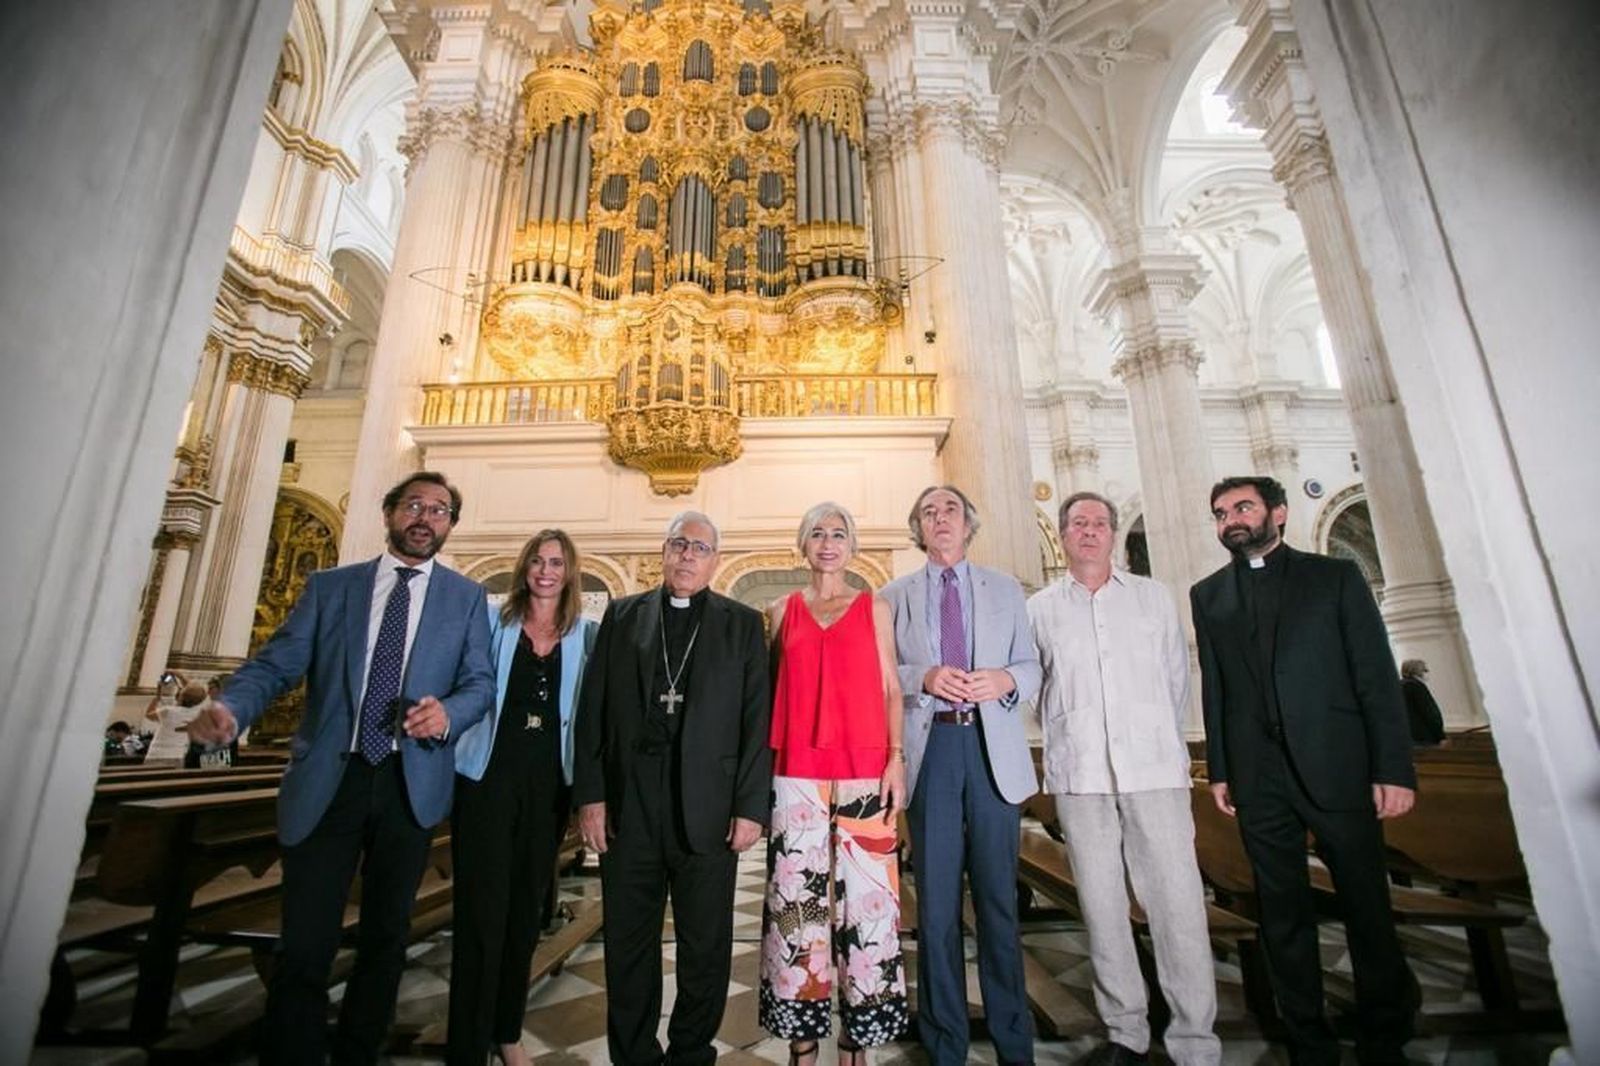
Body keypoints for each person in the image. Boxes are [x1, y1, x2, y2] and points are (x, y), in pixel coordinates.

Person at [188, 471, 494, 1065]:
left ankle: (358, 1052)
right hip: (333, 778)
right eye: (415, 506)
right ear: (388, 514)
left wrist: (448, 714)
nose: (426, 518)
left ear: (451, 525)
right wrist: (232, 707)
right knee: (306, 940)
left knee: (386, 938)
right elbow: (275, 664)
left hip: (411, 780)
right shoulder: (333, 588)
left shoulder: (466, 599)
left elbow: (480, 683)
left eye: (440, 510)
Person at [1190, 475, 1417, 1066]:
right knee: (1282, 913)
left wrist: (1393, 768)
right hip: (1258, 779)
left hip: (1338, 767)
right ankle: (1308, 1040)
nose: (1231, 520)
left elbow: (1374, 676)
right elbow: (1217, 689)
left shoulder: (1334, 578)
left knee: (1368, 908)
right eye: (1221, 513)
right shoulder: (1208, 594)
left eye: (1242, 507)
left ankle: (1384, 1033)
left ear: (1279, 513)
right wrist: (1221, 768)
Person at [572, 510, 772, 1064]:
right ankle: (634, 1055)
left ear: (716, 561)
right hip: (630, 804)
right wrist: (590, 797)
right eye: (679, 545)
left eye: (700, 548)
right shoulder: (621, 616)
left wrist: (750, 807)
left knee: (705, 944)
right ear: (664, 552)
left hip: (707, 807)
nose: (687, 556)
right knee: (628, 942)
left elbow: (758, 724)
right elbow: (593, 713)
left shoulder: (741, 624)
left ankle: (690, 1052)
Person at [1028, 492, 1220, 1066]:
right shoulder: (1039, 609)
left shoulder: (1153, 599)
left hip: (1153, 770)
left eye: (1099, 523)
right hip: (1081, 772)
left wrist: (1148, 734)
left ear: (1113, 535)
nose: (1089, 531)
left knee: (1177, 905)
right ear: (1062, 536)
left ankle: (1194, 1039)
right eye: (1078, 523)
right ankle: (1126, 1032)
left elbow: (1174, 681)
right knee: (1103, 906)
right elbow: (1039, 696)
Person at [880, 485, 1041, 1066]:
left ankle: (1013, 1043)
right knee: (938, 907)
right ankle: (945, 1042)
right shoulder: (892, 596)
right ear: (917, 530)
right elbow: (881, 671)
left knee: (999, 902)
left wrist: (1005, 680)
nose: (940, 519)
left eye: (950, 510)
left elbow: (1031, 663)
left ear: (969, 525)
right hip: (933, 752)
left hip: (992, 747)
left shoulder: (1005, 589)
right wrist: (922, 676)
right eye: (928, 512)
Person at [760, 503, 909, 1064]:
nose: (828, 542)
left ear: (853, 545)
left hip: (866, 766)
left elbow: (893, 688)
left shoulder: (875, 608)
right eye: (817, 533)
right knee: (795, 906)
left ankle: (857, 1038)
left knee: (869, 906)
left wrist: (896, 759)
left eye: (838, 533)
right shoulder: (781, 610)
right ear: (803, 544)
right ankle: (803, 1039)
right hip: (796, 769)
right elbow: (772, 693)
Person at [447, 529, 598, 1066]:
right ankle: (465, 1042)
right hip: (486, 781)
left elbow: (589, 719)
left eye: (556, 561)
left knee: (524, 913)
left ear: (570, 571)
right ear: (523, 568)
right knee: (479, 914)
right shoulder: (493, 622)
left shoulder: (586, 635)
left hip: (548, 787)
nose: (545, 570)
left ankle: (506, 1029)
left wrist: (588, 795)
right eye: (536, 560)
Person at [1400, 660, 1445, 747]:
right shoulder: (1417, 686)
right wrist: (1441, 736)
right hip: (1424, 737)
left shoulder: (1399, 685)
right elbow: (1430, 712)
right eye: (1425, 670)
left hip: (1406, 736)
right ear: (1417, 671)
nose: (1427, 672)